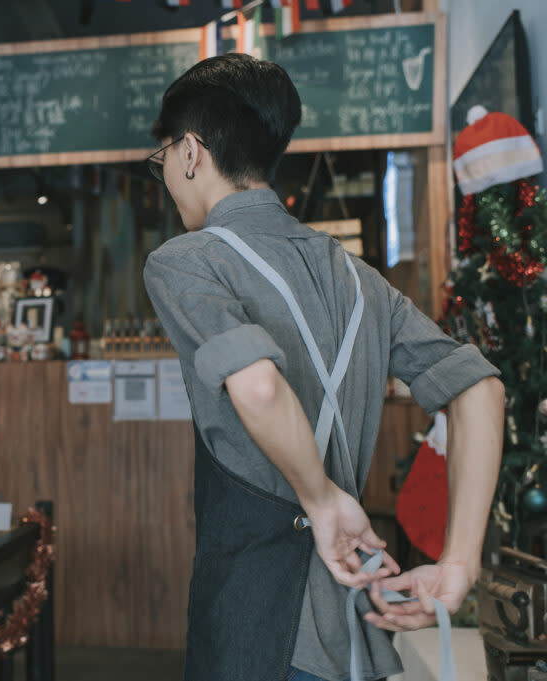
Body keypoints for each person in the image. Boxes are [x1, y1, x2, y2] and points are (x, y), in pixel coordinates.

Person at [142, 53, 504, 681]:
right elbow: (479, 388)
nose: (168, 175)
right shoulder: (360, 279)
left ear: (191, 152)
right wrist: (459, 562)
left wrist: (320, 497)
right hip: (350, 630)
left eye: (163, 159)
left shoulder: (187, 261)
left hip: (253, 622)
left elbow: (256, 383)